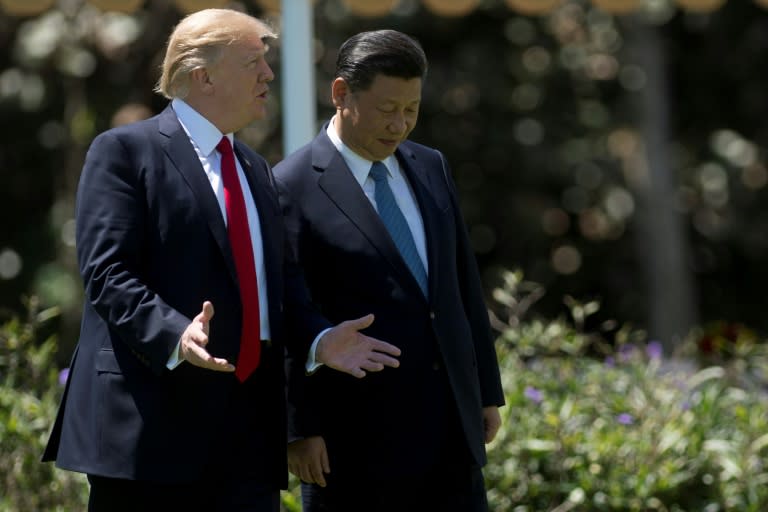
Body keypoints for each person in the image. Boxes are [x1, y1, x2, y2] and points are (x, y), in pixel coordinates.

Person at [42, 10, 400, 512]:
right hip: (149, 433)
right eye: (253, 61)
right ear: (202, 75)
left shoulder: (255, 168)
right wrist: (174, 333)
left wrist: (320, 339)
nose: (268, 75)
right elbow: (107, 274)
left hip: (247, 439)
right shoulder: (125, 151)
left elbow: (280, 284)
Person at [274, 29, 505, 512]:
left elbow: (460, 283)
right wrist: (300, 428)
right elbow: (287, 310)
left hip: (450, 428)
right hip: (353, 441)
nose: (400, 125)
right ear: (341, 94)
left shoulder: (430, 165)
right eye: (386, 109)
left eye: (412, 109)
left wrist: (484, 391)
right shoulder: (290, 184)